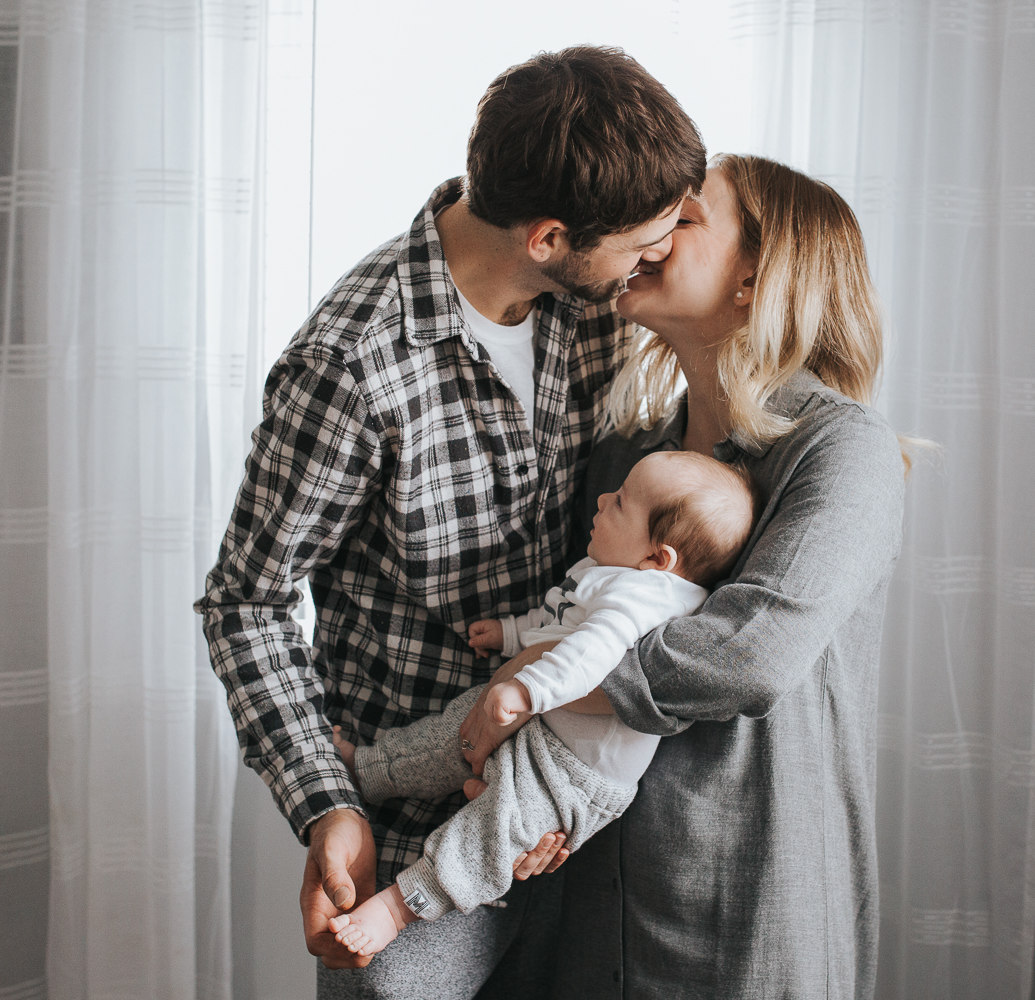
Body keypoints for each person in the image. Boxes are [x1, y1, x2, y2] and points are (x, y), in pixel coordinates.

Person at [195, 45, 706, 999]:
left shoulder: (595, 309)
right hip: (409, 841)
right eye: (643, 239)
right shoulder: (352, 365)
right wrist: (324, 806)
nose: (660, 254)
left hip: (558, 824)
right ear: (549, 236)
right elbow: (246, 604)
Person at [457, 154, 908, 997]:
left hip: (748, 908)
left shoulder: (842, 449)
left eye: (688, 216)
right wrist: (535, 790)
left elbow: (747, 657)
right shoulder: (626, 456)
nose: (655, 227)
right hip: (591, 889)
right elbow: (574, 619)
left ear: (753, 278)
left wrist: (537, 684)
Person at [322, 450, 756, 960]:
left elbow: (588, 653)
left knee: (493, 834)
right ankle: (369, 768)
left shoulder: (647, 597)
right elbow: (560, 621)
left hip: (574, 773)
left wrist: (526, 691)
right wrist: (510, 635)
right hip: (549, 729)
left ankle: (400, 906)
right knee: (449, 733)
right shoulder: (613, 571)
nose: (602, 499)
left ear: (659, 559)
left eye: (619, 503)